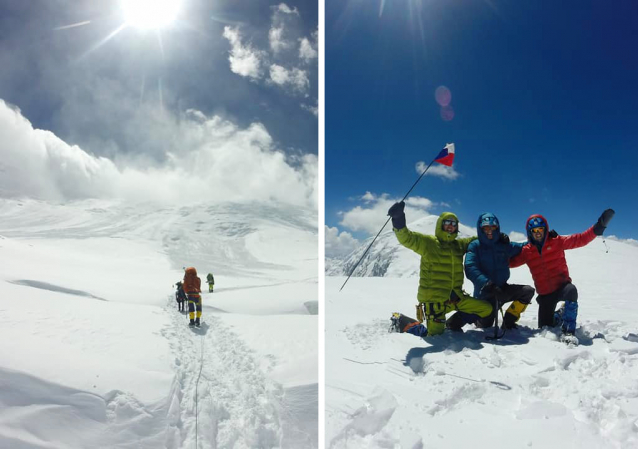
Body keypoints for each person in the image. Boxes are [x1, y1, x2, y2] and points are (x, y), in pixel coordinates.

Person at [387, 201, 492, 336]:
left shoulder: (459, 245)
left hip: (456, 298)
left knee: (486, 309)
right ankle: (403, 322)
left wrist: (494, 236)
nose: (450, 226)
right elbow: (407, 238)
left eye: (454, 224)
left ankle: (452, 324)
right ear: (440, 224)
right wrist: (398, 219)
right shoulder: (428, 243)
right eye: (447, 222)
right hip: (435, 302)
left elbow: (476, 240)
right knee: (434, 336)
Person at [509, 209, 615, 339]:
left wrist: (598, 228)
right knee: (545, 327)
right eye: (534, 231)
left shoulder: (556, 241)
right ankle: (559, 315)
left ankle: (568, 331)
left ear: (545, 229)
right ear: (530, 232)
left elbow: (580, 239)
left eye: (540, 230)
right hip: (545, 295)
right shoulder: (527, 251)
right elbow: (511, 263)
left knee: (571, 290)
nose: (538, 234)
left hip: (562, 288)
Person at [464, 213, 536, 330]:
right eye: (486, 227)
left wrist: (543, 238)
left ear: (497, 228)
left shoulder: (503, 245)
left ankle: (509, 321)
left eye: (493, 227)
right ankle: (477, 319)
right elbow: (470, 267)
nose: (490, 231)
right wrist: (487, 284)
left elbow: (523, 247)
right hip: (485, 294)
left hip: (502, 290)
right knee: (485, 326)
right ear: (480, 228)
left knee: (527, 291)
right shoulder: (475, 246)